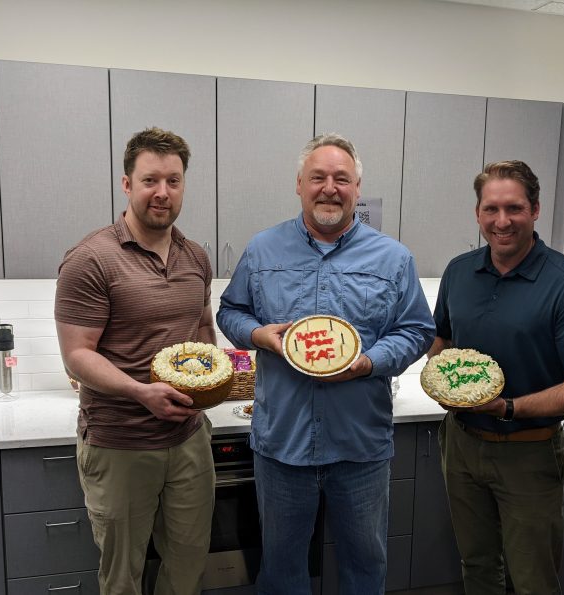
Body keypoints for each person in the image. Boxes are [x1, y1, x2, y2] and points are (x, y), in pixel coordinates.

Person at [217, 133, 434, 595]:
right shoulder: (262, 250)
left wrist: (370, 361)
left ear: (357, 188)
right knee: (281, 571)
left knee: (363, 569)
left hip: (360, 446)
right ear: (300, 184)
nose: (329, 188)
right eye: (318, 177)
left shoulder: (393, 259)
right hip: (282, 444)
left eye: (342, 178)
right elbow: (230, 311)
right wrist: (258, 335)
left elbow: (417, 330)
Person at [429, 160, 564, 595]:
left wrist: (509, 407)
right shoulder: (459, 272)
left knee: (533, 580)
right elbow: (441, 341)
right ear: (477, 214)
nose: (502, 221)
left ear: (535, 210)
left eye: (514, 208)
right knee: (477, 565)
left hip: (529, 453)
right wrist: (433, 375)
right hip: (462, 444)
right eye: (491, 209)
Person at [54, 127, 216, 595]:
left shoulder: (196, 257)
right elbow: (77, 354)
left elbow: (203, 328)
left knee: (187, 566)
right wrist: (140, 392)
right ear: (127, 185)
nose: (161, 193)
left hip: (188, 437)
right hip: (120, 442)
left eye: (173, 181)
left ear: (183, 185)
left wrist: (219, 376)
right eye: (150, 180)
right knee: (122, 577)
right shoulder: (91, 259)